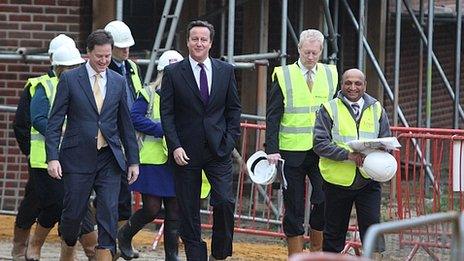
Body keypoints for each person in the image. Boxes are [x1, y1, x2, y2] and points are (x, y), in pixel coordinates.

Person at [45, 30, 140, 260]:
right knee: (73, 215)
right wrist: (52, 157)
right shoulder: (70, 79)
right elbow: (55, 121)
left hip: (108, 157)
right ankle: (68, 245)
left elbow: (126, 124)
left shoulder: (117, 81)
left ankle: (105, 253)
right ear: (88, 53)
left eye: (108, 56)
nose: (104, 61)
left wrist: (134, 161)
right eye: (99, 56)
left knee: (108, 211)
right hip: (77, 157)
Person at [160, 20, 241, 261]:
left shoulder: (225, 71)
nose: (199, 43)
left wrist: (229, 141)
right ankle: (196, 255)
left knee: (225, 201)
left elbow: (233, 109)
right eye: (194, 38)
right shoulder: (174, 73)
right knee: (188, 210)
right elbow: (168, 113)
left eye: (203, 39)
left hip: (218, 149)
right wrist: (175, 146)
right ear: (187, 42)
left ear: (210, 43)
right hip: (185, 151)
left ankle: (220, 251)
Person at [265, 29, 338, 256]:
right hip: (291, 151)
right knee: (294, 206)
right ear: (299, 50)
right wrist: (272, 149)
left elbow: (336, 110)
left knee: (323, 199)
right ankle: (295, 255)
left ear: (321, 52)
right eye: (307, 52)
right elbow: (273, 116)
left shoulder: (331, 73)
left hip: (322, 150)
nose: (310, 57)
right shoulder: (284, 75)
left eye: (315, 53)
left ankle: (317, 252)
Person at [11, 34, 75, 261]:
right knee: (40, 201)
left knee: (70, 204)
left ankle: (72, 252)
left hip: (69, 157)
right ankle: (23, 248)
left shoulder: (76, 84)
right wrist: (31, 151)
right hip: (43, 158)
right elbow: (22, 123)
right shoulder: (40, 86)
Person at [313, 68, 391, 253]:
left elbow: (386, 139)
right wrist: (348, 155)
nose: (353, 87)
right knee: (333, 235)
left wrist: (383, 151)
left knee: (373, 231)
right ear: (342, 85)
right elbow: (319, 144)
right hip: (337, 182)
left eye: (357, 83)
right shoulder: (329, 109)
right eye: (348, 83)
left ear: (365, 85)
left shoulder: (377, 108)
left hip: (368, 180)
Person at [118, 50, 183, 261]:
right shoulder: (149, 93)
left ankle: (171, 256)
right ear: (162, 73)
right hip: (153, 160)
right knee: (152, 208)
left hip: (177, 159)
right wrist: (164, 129)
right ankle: (124, 235)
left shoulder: (188, 96)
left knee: (175, 210)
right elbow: (134, 118)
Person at [105, 21, 143, 238]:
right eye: (121, 46)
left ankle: (118, 240)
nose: (126, 50)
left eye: (128, 46)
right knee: (113, 192)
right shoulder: (102, 68)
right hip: (111, 137)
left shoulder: (132, 67)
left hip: (129, 135)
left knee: (123, 193)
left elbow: (136, 96)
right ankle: (107, 236)